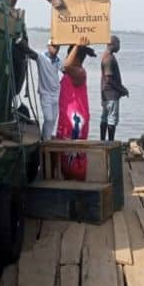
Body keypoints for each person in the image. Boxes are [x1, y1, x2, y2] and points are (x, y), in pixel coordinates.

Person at [56, 36, 96, 180]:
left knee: (75, 161)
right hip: (68, 119)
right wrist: (79, 47)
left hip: (75, 123)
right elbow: (65, 65)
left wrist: (78, 46)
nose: (67, 58)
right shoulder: (71, 72)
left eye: (69, 55)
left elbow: (66, 65)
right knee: (67, 159)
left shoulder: (79, 73)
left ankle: (79, 191)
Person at [19, 38, 63, 140]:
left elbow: (65, 70)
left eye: (58, 46)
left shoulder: (58, 61)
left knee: (53, 120)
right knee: (48, 118)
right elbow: (30, 52)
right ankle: (45, 139)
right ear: (48, 46)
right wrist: (19, 42)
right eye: (54, 46)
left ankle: (46, 138)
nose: (56, 49)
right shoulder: (41, 57)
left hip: (56, 93)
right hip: (45, 93)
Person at [100, 35, 129, 141]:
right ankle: (109, 143)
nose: (119, 46)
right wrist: (121, 90)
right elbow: (108, 79)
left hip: (105, 94)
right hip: (111, 95)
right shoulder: (109, 58)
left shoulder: (106, 56)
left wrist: (121, 88)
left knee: (105, 117)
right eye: (118, 43)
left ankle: (103, 141)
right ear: (112, 44)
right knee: (111, 119)